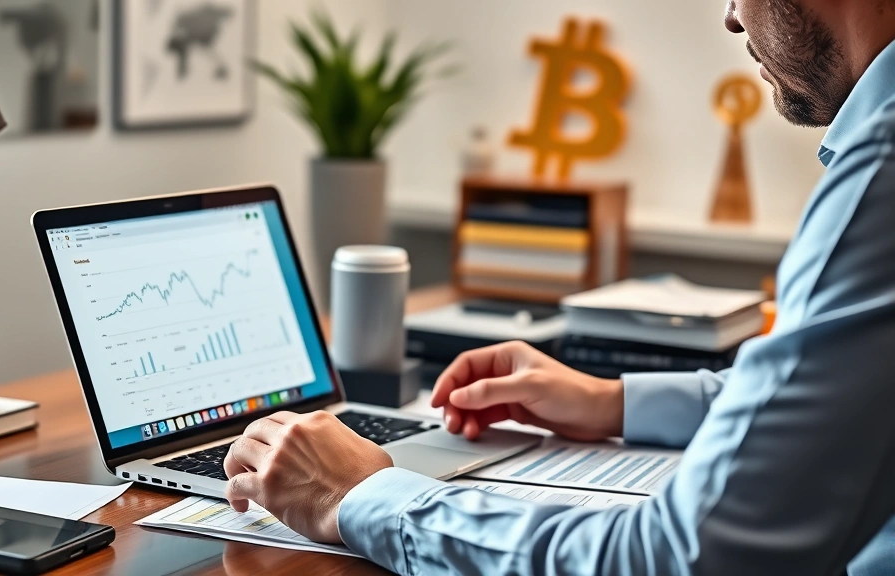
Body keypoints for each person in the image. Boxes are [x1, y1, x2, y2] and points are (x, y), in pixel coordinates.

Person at [223, 0, 895, 573]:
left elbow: (678, 558)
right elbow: (835, 402)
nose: (730, 16)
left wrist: (361, 496)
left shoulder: (881, 166)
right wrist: (610, 403)